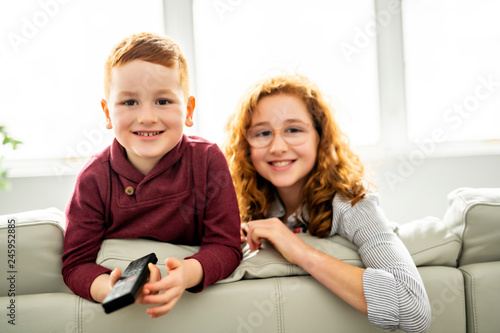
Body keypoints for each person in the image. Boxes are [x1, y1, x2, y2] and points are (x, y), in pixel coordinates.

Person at [223, 73, 431, 332]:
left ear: (319, 137)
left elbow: (413, 308)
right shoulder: (246, 207)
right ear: (246, 146)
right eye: (262, 133)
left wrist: (298, 251)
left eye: (294, 130)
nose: (277, 146)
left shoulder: (353, 203)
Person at [62, 32, 242, 318]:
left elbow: (226, 245)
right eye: (130, 102)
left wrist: (188, 272)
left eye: (162, 101)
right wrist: (105, 288)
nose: (147, 117)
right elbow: (75, 264)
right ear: (108, 114)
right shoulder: (94, 178)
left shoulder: (208, 160)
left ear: (189, 110)